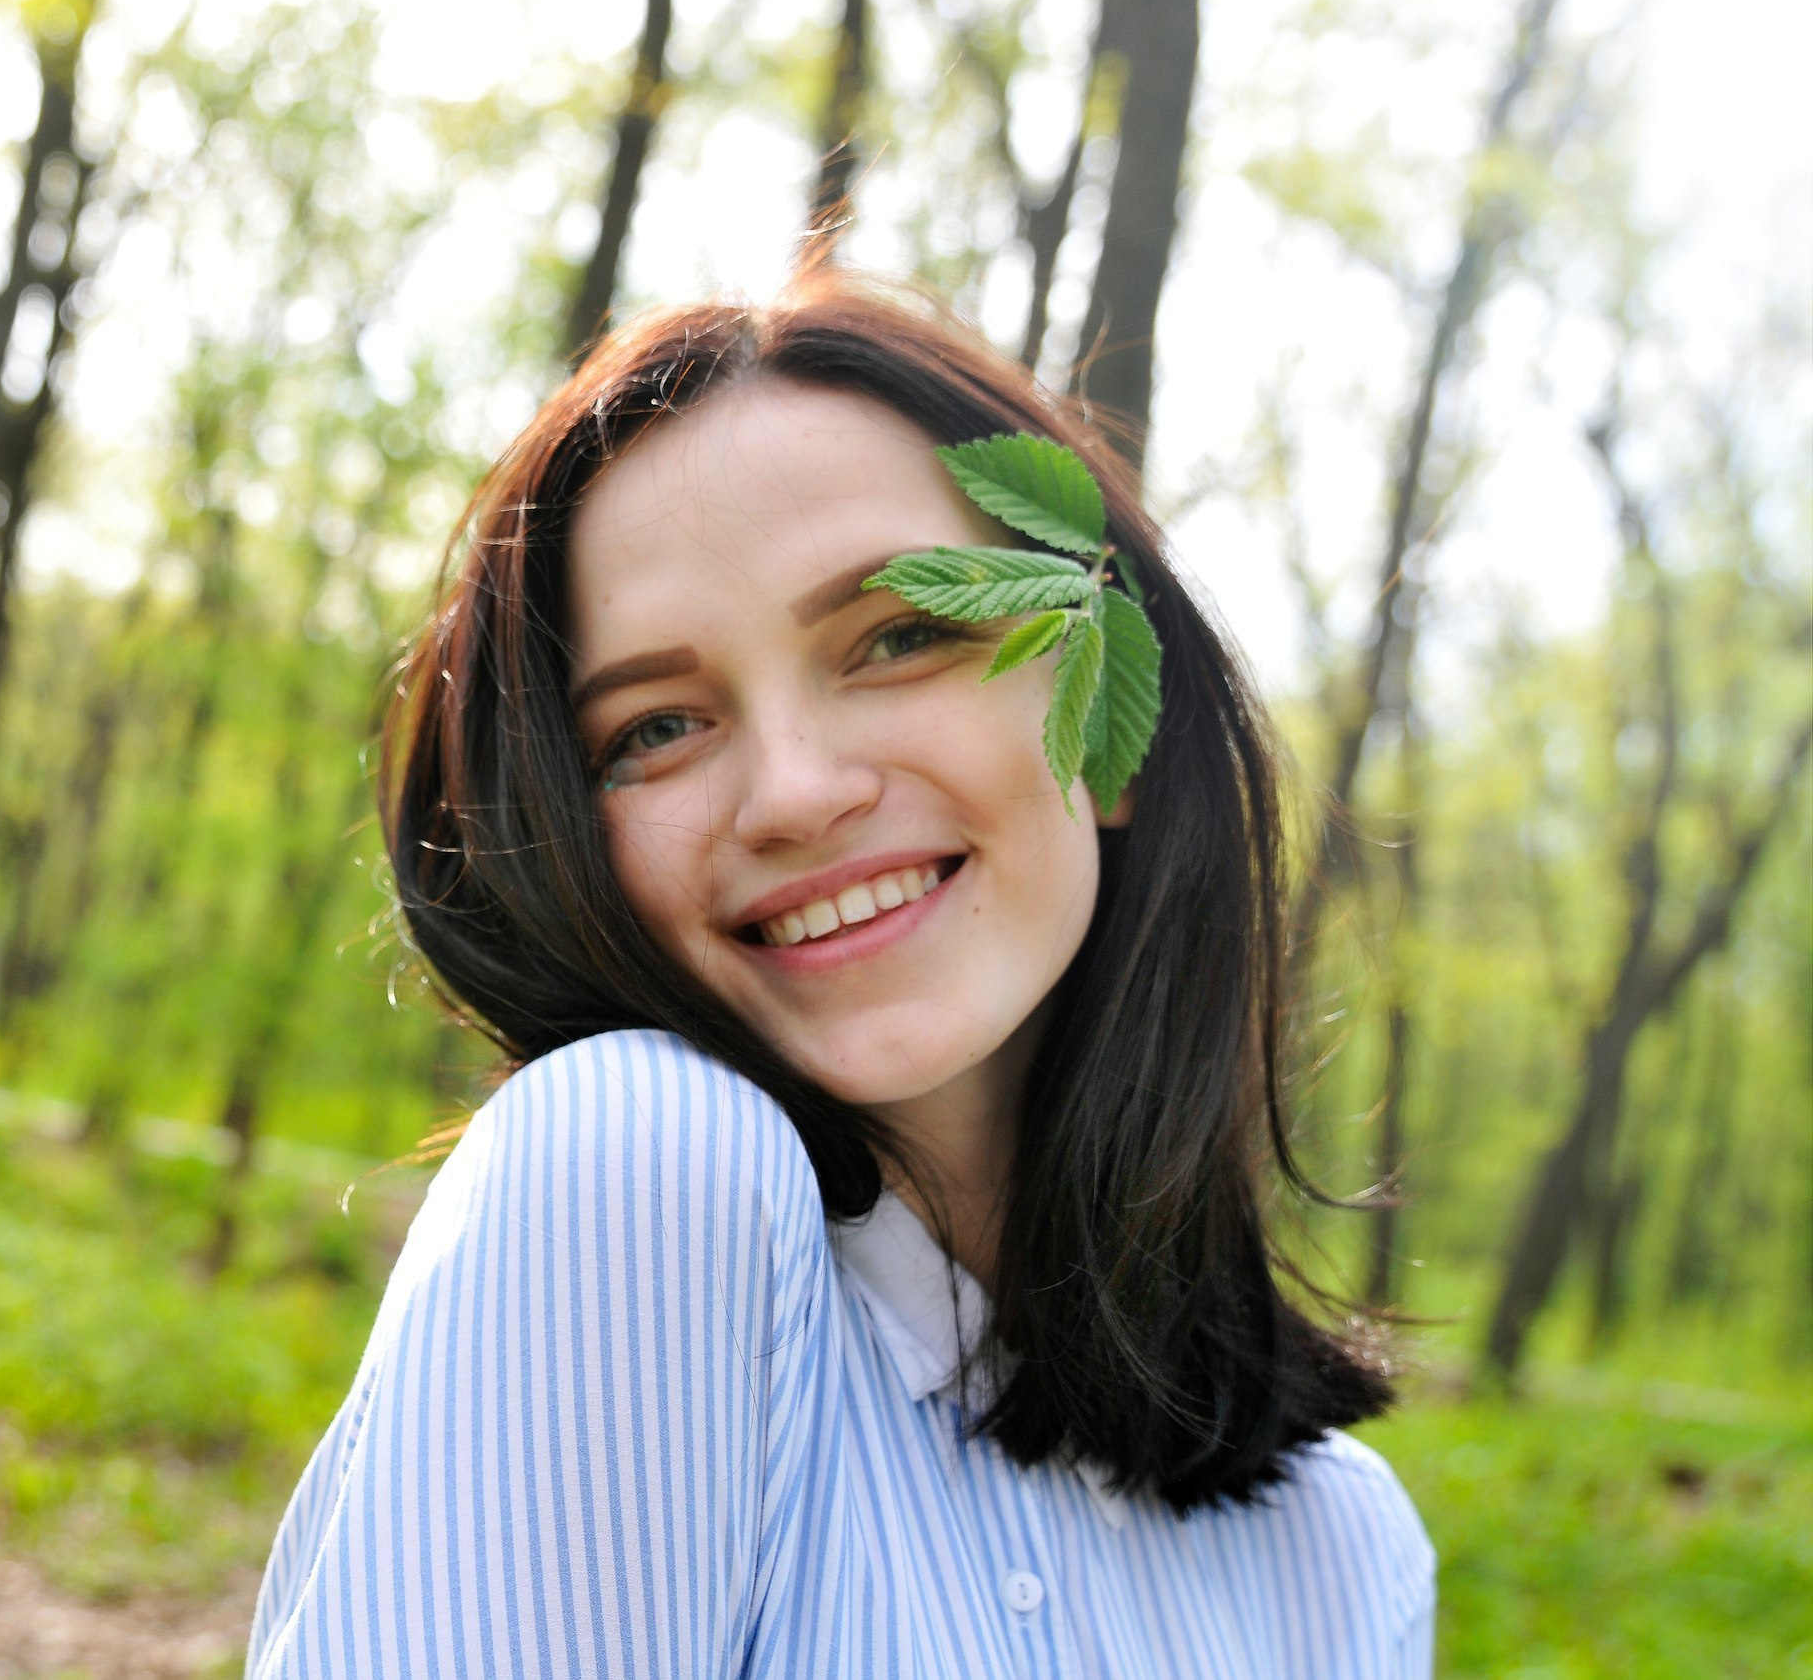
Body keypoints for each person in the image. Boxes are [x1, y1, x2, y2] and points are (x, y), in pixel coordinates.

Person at [244, 276, 1433, 1677]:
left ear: (1118, 723)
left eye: (905, 635)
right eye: (657, 728)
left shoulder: (1343, 1553)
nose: (796, 794)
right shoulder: (633, 1167)